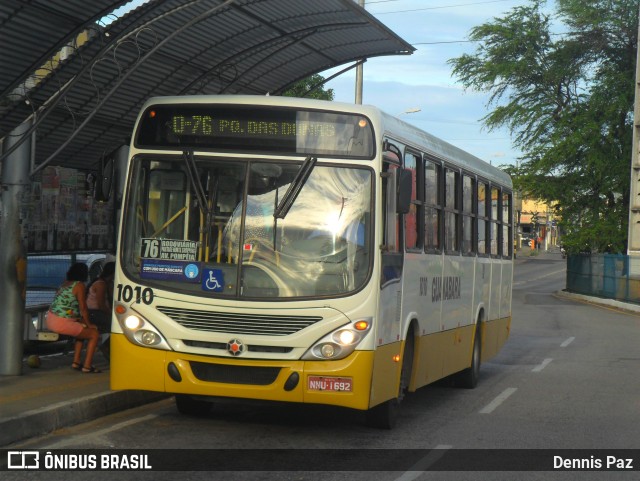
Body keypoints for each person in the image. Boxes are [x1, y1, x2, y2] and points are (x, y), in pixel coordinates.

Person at [46, 262, 102, 373]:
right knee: (94, 334)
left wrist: (84, 323)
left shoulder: (65, 284)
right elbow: (83, 308)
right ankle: (87, 366)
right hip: (62, 322)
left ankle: (76, 362)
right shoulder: (79, 285)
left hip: (51, 319)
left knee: (82, 329)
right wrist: (89, 324)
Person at [86, 262, 115, 359]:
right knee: (115, 325)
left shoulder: (108, 283)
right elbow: (101, 304)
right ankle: (105, 346)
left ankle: (106, 346)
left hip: (98, 313)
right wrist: (112, 314)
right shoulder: (100, 284)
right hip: (94, 313)